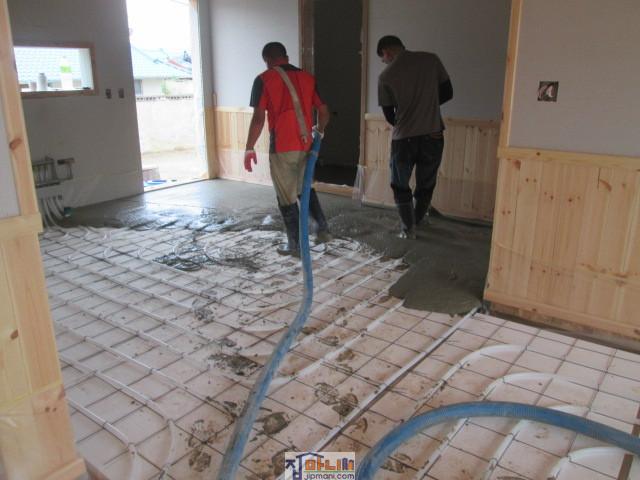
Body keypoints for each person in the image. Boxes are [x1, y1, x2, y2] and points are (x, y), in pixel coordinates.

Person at [244, 42, 332, 257]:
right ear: (286, 56)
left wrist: (249, 147)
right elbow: (323, 111)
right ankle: (322, 227)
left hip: (282, 147)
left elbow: (258, 119)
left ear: (267, 60)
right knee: (304, 187)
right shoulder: (308, 78)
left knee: (286, 197)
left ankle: (295, 244)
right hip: (306, 145)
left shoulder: (264, 79)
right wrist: (319, 132)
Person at [377, 35, 453, 238]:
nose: (385, 62)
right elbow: (448, 92)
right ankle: (419, 220)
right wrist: (427, 106)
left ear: (386, 52)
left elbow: (389, 115)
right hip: (433, 134)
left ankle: (408, 228)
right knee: (426, 182)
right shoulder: (431, 60)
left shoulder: (386, 76)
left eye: (383, 59)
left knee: (400, 184)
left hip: (404, 139)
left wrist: (407, 116)